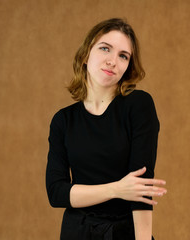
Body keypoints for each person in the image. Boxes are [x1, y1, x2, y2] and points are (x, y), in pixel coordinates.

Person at [46, 18, 167, 240]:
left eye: (123, 56)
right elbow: (56, 193)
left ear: (128, 66)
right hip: (77, 232)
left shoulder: (138, 105)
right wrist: (116, 189)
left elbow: (140, 188)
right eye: (105, 49)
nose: (113, 61)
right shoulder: (63, 120)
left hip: (124, 233)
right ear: (85, 55)